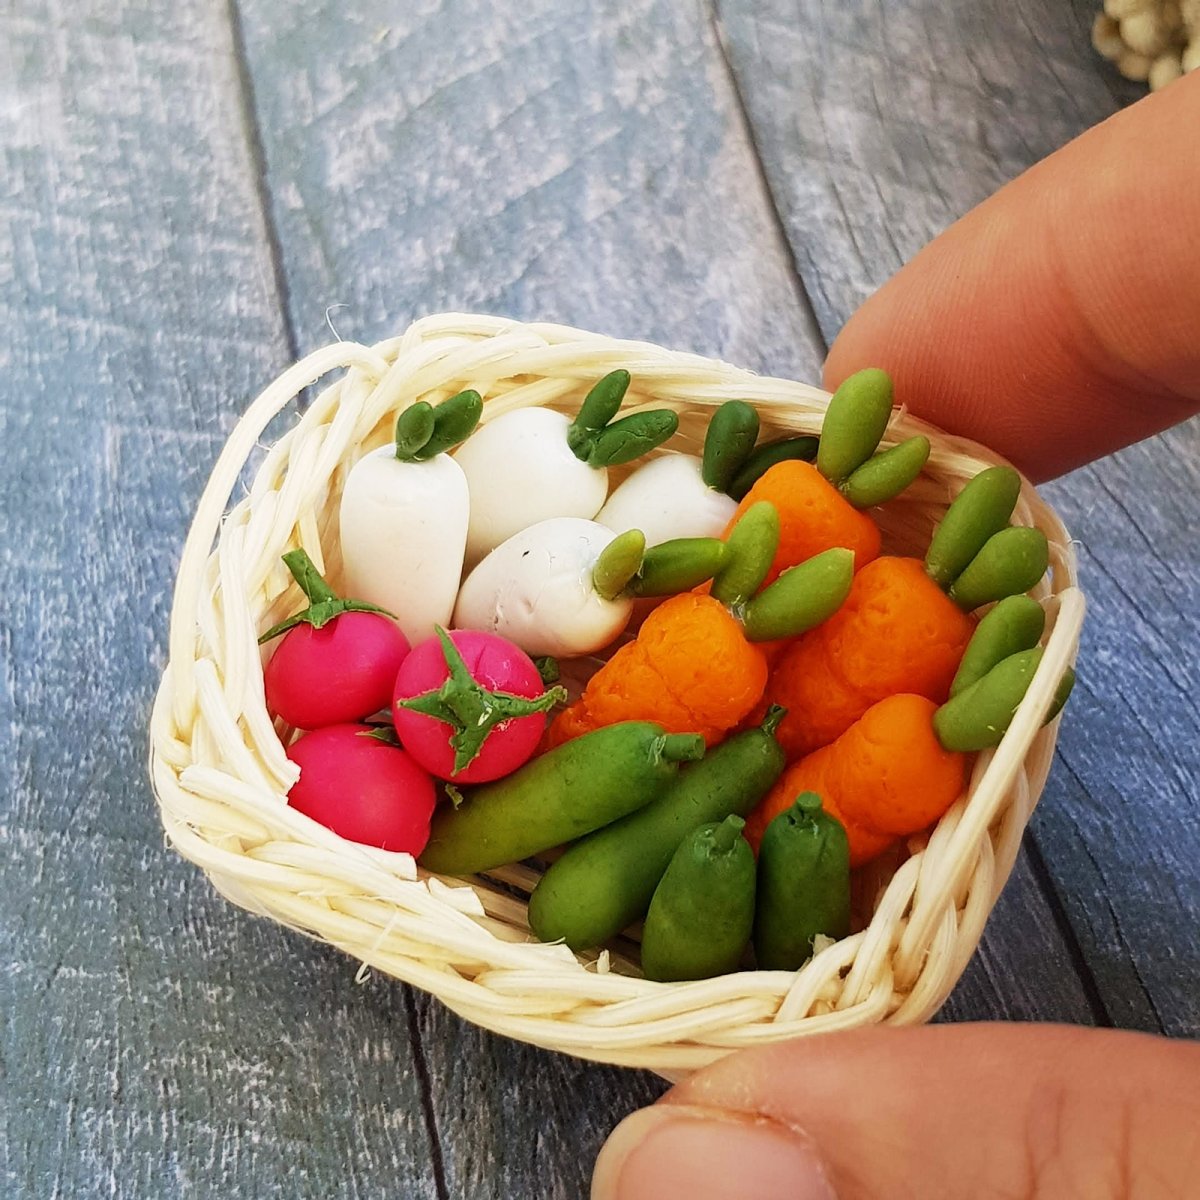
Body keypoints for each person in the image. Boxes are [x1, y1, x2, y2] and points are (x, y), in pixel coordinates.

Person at [591, 72, 1200, 1200]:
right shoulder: (760, 607)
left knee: (836, 738)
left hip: (769, 765)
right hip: (717, 716)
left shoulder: (894, 704)